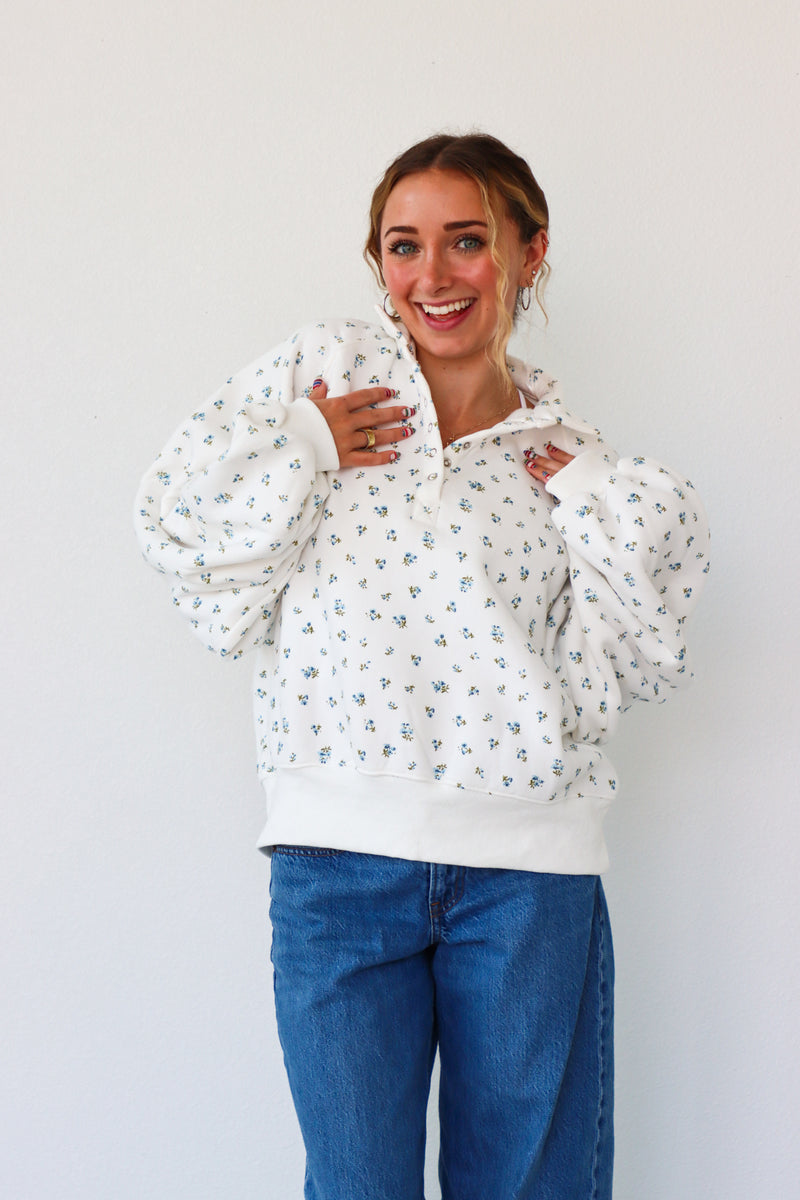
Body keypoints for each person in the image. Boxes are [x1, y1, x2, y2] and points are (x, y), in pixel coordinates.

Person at [135, 133, 709, 1199]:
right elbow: (176, 521)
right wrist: (305, 443)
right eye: (403, 246)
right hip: (337, 871)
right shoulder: (325, 384)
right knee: (356, 1188)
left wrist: (591, 496)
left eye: (466, 242)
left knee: (528, 1189)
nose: (431, 277)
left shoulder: (566, 454)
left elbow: (635, 659)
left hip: (526, 886)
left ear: (529, 254)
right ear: (376, 261)